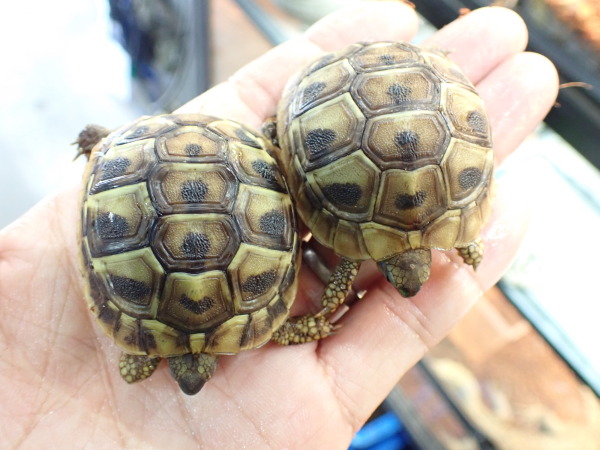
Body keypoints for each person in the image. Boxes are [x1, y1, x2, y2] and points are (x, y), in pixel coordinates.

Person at [0, 3, 558, 448]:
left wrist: (308, 321)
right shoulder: (152, 345)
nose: (195, 384)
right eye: (400, 275)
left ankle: (108, 145)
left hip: (157, 159)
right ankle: (108, 144)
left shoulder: (153, 341)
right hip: (220, 160)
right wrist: (304, 323)